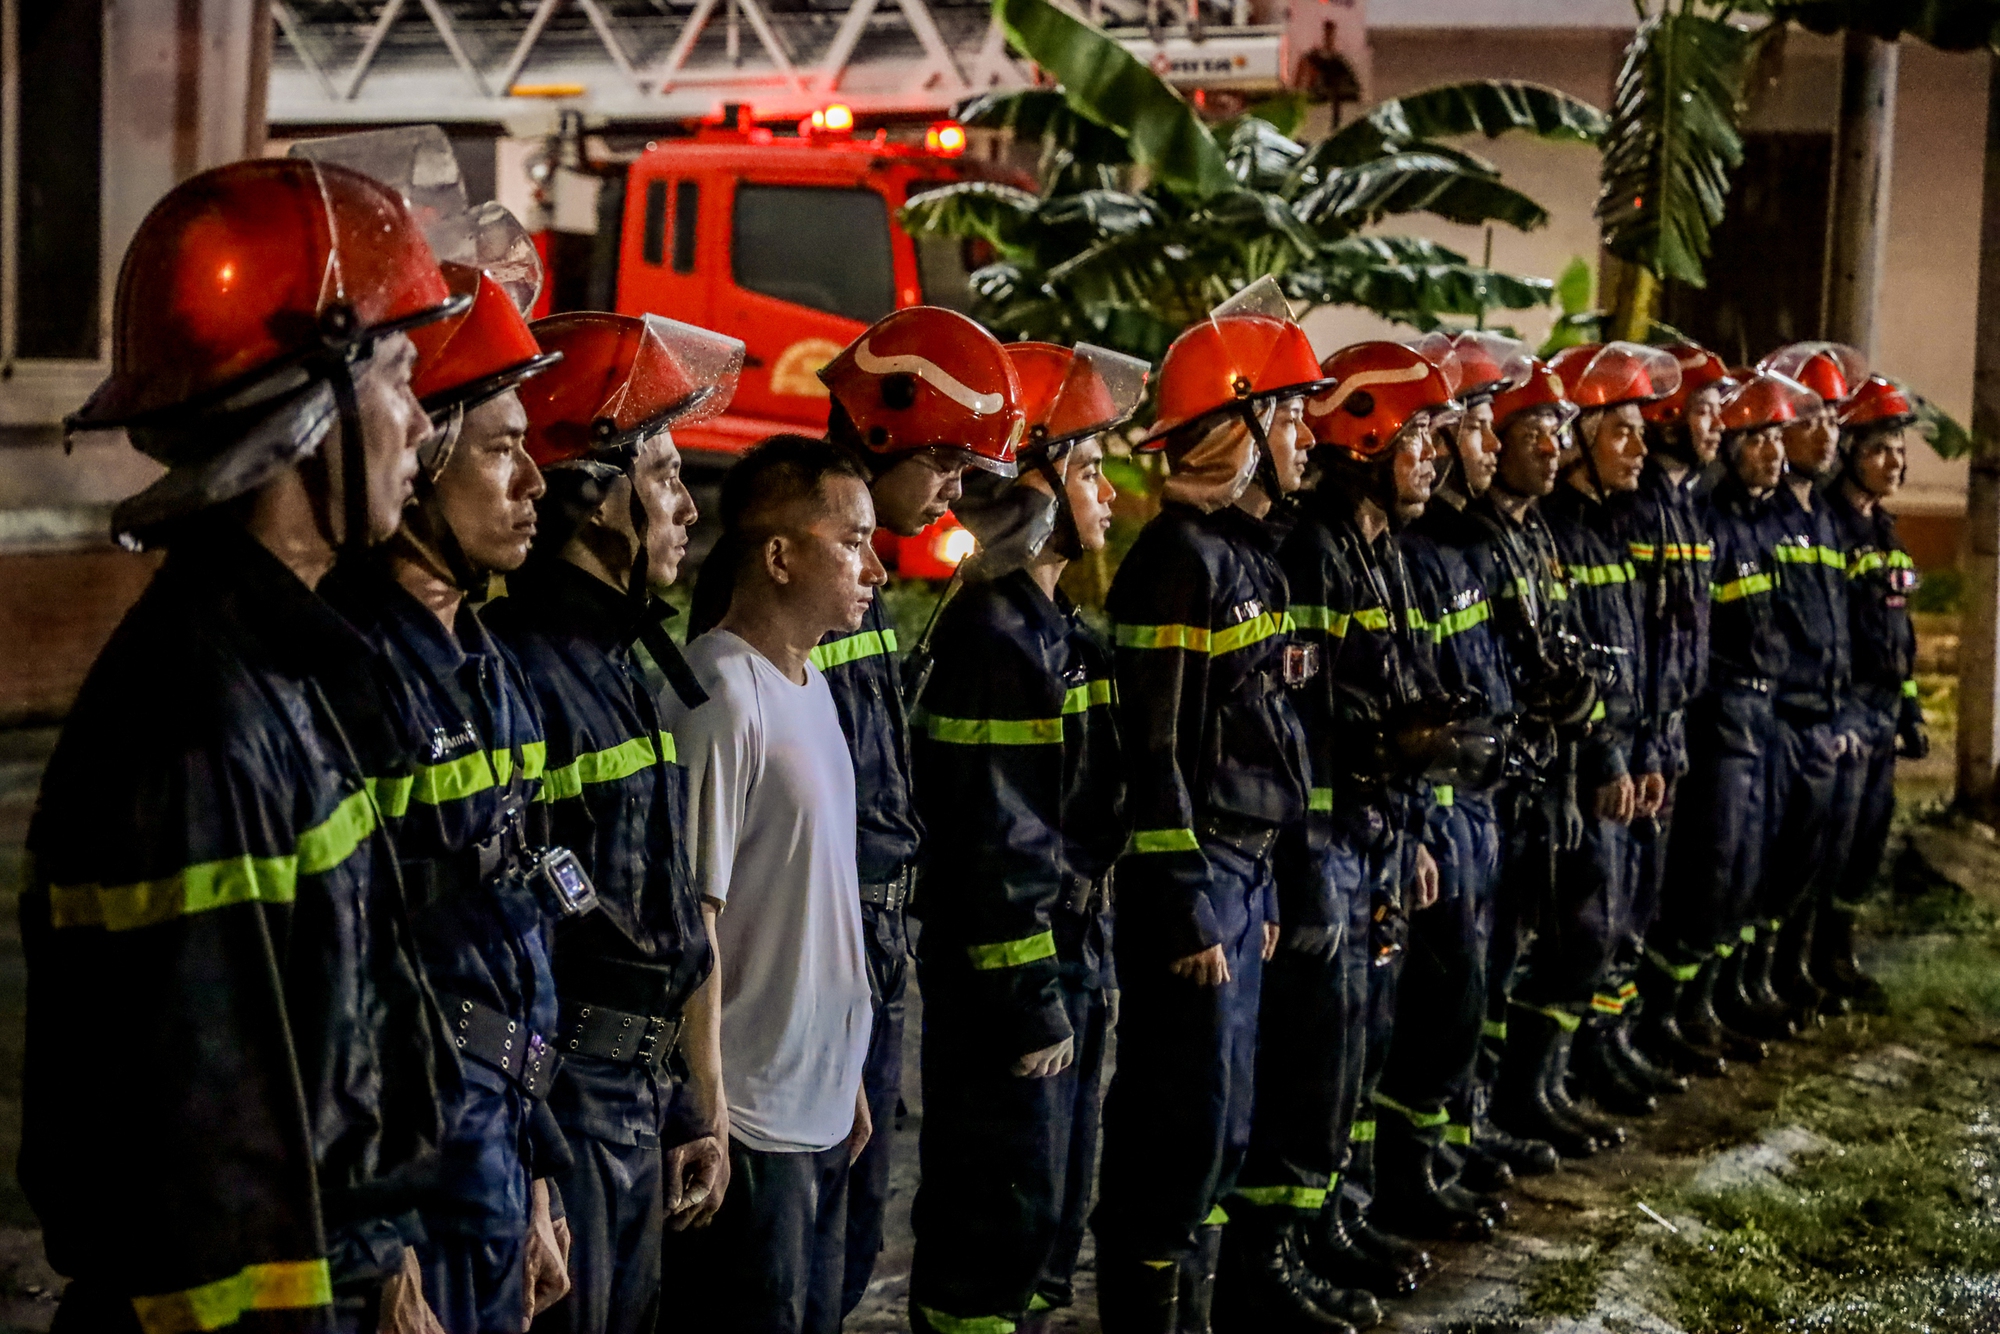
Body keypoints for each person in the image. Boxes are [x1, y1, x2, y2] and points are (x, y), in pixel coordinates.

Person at [23, 156, 460, 1332]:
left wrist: (384, 1245)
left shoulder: (287, 665)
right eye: (405, 379)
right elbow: (210, 1175)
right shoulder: (199, 728)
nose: (424, 425)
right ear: (312, 402)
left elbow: (328, 1046)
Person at [306, 135, 579, 1332]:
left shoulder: (487, 661)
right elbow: (344, 983)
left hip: (495, 1130)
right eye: (504, 450)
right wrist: (381, 1238)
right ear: (419, 466)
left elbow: (519, 929)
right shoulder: (353, 669)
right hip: (415, 1167)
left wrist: (539, 1162)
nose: (536, 485)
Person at [493, 312, 745, 1334]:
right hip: (572, 1106)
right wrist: (536, 1165)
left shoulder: (620, 662)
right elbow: (517, 947)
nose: (686, 506)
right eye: (665, 475)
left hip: (632, 1100)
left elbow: (661, 909)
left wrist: (687, 1097)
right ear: (594, 498)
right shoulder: (526, 673)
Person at [1090, 278, 1320, 1334]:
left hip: (1240, 875)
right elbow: (1154, 749)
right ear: (1234, 427)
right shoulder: (1172, 567)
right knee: (1177, 1122)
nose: (1303, 436)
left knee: (1222, 1120)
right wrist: (1185, 898)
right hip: (1195, 881)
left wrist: (1258, 880)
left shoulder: (1242, 555)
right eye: (1285, 416)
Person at [905, 341, 1145, 1334]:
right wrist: (1030, 997)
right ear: (1030, 487)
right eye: (1088, 468)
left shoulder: (1051, 628)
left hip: (1062, 958)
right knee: (992, 1223)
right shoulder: (994, 639)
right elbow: (994, 841)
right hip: (1011, 982)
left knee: (1044, 1214)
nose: (1110, 492)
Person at [802, 306, 1028, 1318]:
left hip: (865, 953)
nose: (952, 489)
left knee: (848, 1247)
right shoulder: (800, 573)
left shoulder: (857, 571)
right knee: (807, 1257)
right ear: (886, 427)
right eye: (944, 459)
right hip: (821, 960)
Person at [1240, 341, 1470, 1301]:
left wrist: (1412, 826)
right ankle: (1269, 1263)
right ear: (1366, 435)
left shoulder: (1387, 555)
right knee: (1310, 1060)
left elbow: (1401, 699)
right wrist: (1304, 869)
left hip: (1375, 839)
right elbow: (1295, 725)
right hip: (1321, 847)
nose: (1433, 455)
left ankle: (1332, 1218)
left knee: (1360, 1046)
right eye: (1415, 435)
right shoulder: (1313, 551)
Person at [663, 436, 883, 1334]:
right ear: (780, 555)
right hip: (754, 1124)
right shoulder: (722, 690)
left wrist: (849, 1070)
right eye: (853, 540)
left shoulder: (812, 684)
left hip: (822, 1103)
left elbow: (814, 897)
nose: (875, 565)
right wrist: (707, 1112)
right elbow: (695, 920)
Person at [1387, 332, 1556, 1205]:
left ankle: (1448, 1142)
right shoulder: (1414, 555)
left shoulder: (1471, 545)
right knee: (1434, 1000)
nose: (1489, 446)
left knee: (1473, 989)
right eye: (1478, 429)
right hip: (1437, 812)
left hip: (1482, 802)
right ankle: (1408, 1170)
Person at [1464, 360, 1612, 1162]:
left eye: (1556, 433)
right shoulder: (1478, 543)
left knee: (1543, 943)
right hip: (1503, 784)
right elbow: (1510, 672)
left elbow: (1555, 656)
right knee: (1484, 967)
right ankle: (1481, 1115)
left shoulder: (1532, 533)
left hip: (1544, 776)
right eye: (1533, 434)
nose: (1552, 449)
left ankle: (1525, 1093)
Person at [1652, 372, 1816, 1070]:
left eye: (1780, 438)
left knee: (1746, 870)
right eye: (1759, 438)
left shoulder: (1762, 521)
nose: (1772, 452)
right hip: (1718, 716)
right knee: (1708, 870)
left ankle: (1706, 1004)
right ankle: (1668, 1016)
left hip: (1763, 710)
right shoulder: (1710, 518)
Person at [1533, 343, 1679, 1123]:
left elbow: (1635, 659)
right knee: (1578, 930)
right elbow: (1568, 664)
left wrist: (1648, 748)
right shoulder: (1555, 534)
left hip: (1623, 758)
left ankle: (1570, 1068)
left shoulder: (1607, 529)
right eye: (1621, 430)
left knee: (1616, 919)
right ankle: (1536, 1085)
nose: (1641, 445)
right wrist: (1611, 756)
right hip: (1581, 768)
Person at [1742, 342, 1864, 1036]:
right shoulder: (1763, 518)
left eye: (1834, 421)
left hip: (1821, 718)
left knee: (1807, 861)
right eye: (1811, 419)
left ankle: (1788, 970)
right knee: (1757, 864)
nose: (1828, 435)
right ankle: (1755, 980)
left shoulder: (1823, 517)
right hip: (1777, 719)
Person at [1625, 346, 1733, 1082]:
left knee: (1647, 896)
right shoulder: (1634, 509)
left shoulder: (1685, 505)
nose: (1717, 425)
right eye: (1705, 410)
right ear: (1668, 417)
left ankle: (1635, 1031)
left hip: (1670, 732)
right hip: (1632, 737)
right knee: (1609, 909)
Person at [1818, 374, 1927, 1006]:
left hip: (1883, 707)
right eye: (1881, 449)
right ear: (1850, 453)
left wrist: (1909, 708)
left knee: (1868, 840)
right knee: (1829, 840)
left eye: (1900, 451)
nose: (1895, 462)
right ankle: (1808, 961)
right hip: (1846, 706)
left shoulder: (1883, 530)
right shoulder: (1832, 530)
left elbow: (1896, 630)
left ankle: (1839, 950)